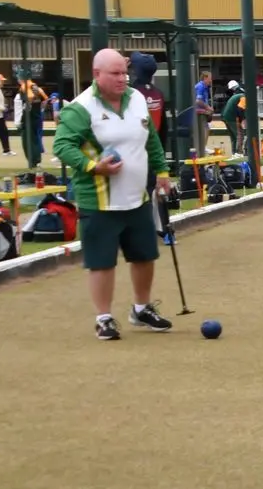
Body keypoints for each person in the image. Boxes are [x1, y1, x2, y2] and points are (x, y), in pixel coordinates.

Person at [53, 47, 174, 341]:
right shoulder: (80, 108)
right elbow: (62, 146)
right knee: (102, 261)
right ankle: (104, 318)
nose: (123, 79)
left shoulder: (136, 100)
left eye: (124, 72)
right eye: (115, 73)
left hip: (137, 196)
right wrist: (94, 166)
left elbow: (151, 140)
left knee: (145, 255)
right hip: (99, 200)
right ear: (97, 74)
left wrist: (161, 171)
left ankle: (141, 308)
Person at [17, 69, 48, 167]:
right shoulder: (36, 86)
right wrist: (40, 109)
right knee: (35, 140)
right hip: (37, 116)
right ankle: (37, 160)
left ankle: (32, 162)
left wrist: (27, 106)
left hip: (28, 118)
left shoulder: (25, 86)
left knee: (27, 141)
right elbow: (45, 99)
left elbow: (30, 97)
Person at [221, 80, 246, 154]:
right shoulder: (243, 96)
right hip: (231, 117)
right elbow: (241, 109)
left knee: (233, 137)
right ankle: (239, 153)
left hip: (225, 117)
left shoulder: (237, 95)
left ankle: (234, 153)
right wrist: (241, 120)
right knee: (239, 135)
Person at [194, 71, 213, 154]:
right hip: (199, 112)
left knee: (206, 129)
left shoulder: (204, 87)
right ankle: (202, 147)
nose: (211, 80)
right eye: (210, 78)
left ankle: (202, 147)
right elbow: (198, 101)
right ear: (205, 78)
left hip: (202, 112)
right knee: (205, 129)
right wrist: (208, 108)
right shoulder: (200, 86)